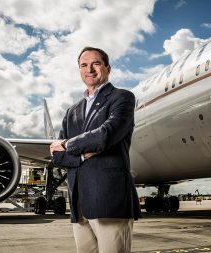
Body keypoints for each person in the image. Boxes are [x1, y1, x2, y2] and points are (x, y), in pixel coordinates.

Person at [50, 46, 141, 253]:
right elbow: (57, 158)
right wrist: (82, 156)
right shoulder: (72, 111)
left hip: (109, 201)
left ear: (107, 67)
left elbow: (106, 135)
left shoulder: (122, 97)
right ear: (79, 70)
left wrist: (67, 145)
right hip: (79, 203)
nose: (89, 69)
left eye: (96, 64)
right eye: (84, 65)